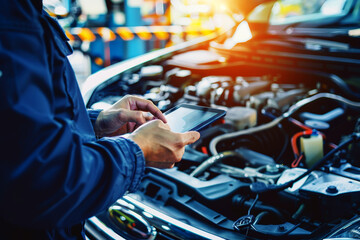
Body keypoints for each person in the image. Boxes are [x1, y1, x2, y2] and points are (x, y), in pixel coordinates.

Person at [0, 1, 200, 239]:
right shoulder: (11, 15)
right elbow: (43, 181)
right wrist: (137, 149)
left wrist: (95, 124)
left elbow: (14, 133)